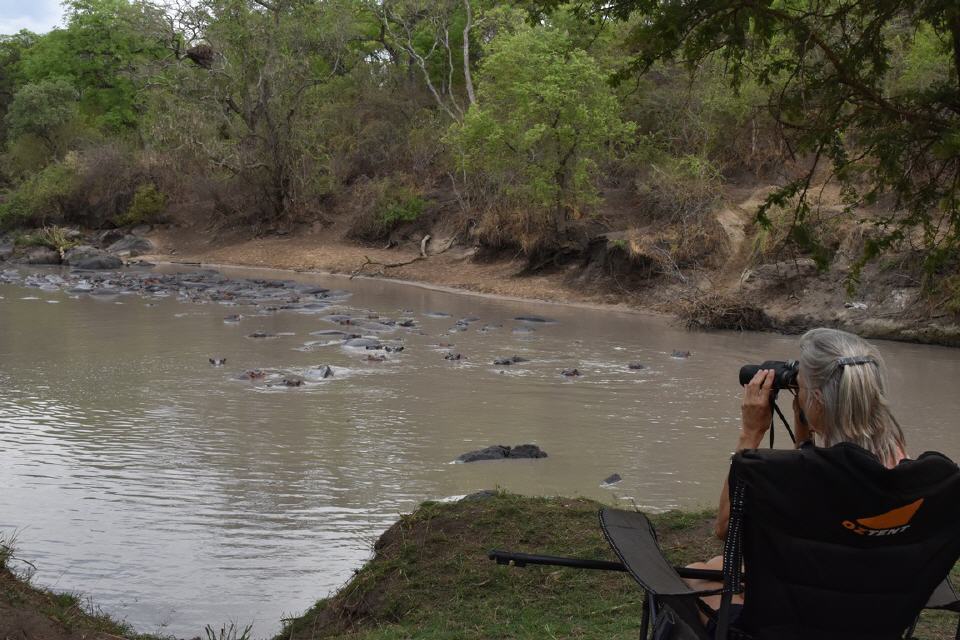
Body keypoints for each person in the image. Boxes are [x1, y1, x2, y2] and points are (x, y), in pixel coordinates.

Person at [684, 327, 909, 621]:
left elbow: (726, 528)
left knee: (695, 577)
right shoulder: (905, 467)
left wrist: (750, 433)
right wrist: (804, 434)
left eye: (800, 387)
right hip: (869, 612)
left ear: (816, 399)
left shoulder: (789, 476)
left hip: (796, 619)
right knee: (715, 565)